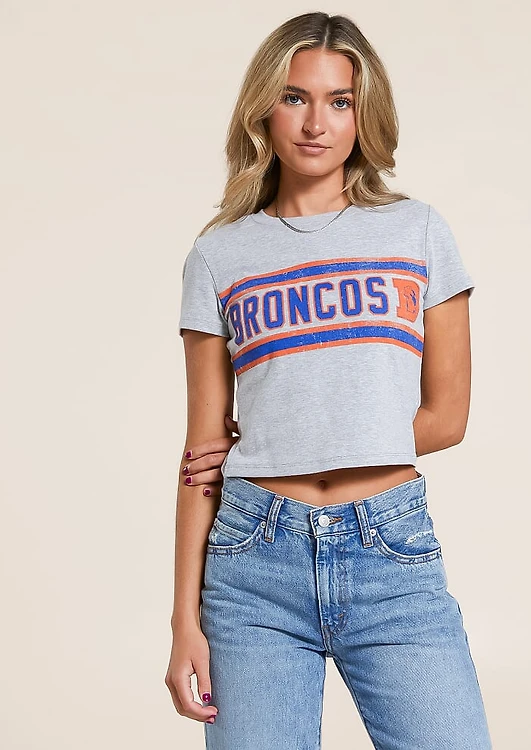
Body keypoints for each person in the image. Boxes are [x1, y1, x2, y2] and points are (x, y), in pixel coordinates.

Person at [165, 11, 493, 750]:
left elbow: (447, 416)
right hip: (252, 563)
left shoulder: (418, 232)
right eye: (295, 97)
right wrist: (184, 620)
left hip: (391, 550)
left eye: (339, 101)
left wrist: (305, 436)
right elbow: (201, 455)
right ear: (263, 109)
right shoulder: (219, 256)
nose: (316, 123)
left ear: (362, 113)